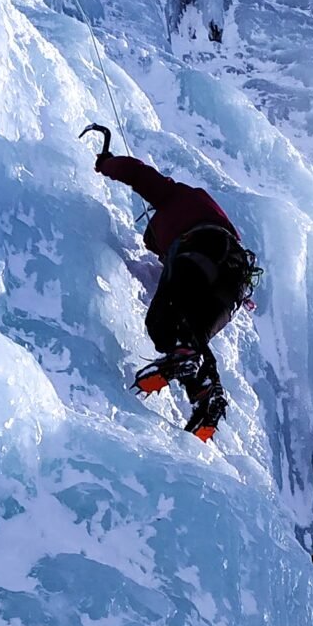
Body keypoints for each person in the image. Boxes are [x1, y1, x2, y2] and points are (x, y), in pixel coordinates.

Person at [86, 125, 256, 441]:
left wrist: (106, 163)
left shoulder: (172, 197)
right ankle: (209, 396)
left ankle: (196, 374)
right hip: (235, 277)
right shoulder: (214, 219)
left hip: (201, 249)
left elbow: (138, 174)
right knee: (193, 338)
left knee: (161, 325)